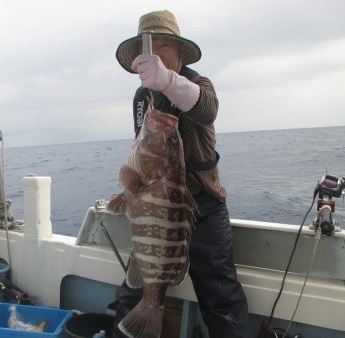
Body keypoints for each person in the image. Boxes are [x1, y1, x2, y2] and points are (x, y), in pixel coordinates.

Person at [113, 10, 252, 338]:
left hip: (205, 209)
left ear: (179, 50)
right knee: (133, 291)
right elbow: (144, 155)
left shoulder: (198, 84)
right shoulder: (142, 98)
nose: (155, 54)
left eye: (163, 45)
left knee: (221, 298)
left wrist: (169, 82)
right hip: (158, 211)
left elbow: (207, 108)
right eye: (148, 48)